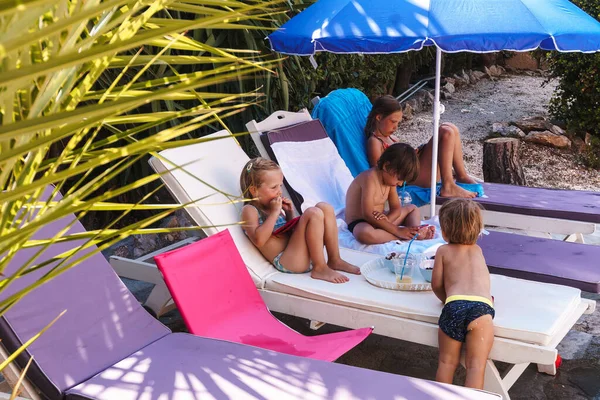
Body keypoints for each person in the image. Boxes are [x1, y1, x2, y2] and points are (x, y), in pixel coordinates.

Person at [240, 157, 360, 284]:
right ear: (254, 190)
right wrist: (275, 212)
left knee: (325, 207)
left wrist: (289, 213)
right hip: (287, 261)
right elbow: (259, 240)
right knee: (313, 213)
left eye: (280, 186)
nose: (279, 192)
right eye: (274, 187)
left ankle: (334, 259)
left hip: (300, 254)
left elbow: (291, 235)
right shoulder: (250, 210)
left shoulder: (273, 206)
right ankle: (320, 268)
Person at [431, 199, 494, 389]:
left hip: (454, 305)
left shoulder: (443, 251)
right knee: (476, 367)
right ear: (478, 230)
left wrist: (447, 300)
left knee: (447, 363)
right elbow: (484, 281)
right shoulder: (478, 250)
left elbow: (436, 284)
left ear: (444, 231)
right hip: (481, 309)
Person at [365, 95, 477, 199]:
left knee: (451, 128)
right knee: (445, 132)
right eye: (393, 122)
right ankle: (448, 186)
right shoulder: (375, 142)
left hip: (416, 167)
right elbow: (379, 174)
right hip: (409, 178)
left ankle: (462, 176)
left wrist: (413, 154)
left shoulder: (393, 138)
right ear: (379, 117)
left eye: (398, 123)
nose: (396, 127)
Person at [345, 143, 435, 244]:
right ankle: (405, 236)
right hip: (362, 222)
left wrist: (386, 220)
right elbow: (367, 214)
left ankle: (414, 232)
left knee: (413, 209)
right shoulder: (369, 178)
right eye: (399, 179)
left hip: (382, 220)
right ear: (386, 166)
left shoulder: (390, 183)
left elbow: (396, 209)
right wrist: (397, 230)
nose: (400, 183)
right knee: (364, 234)